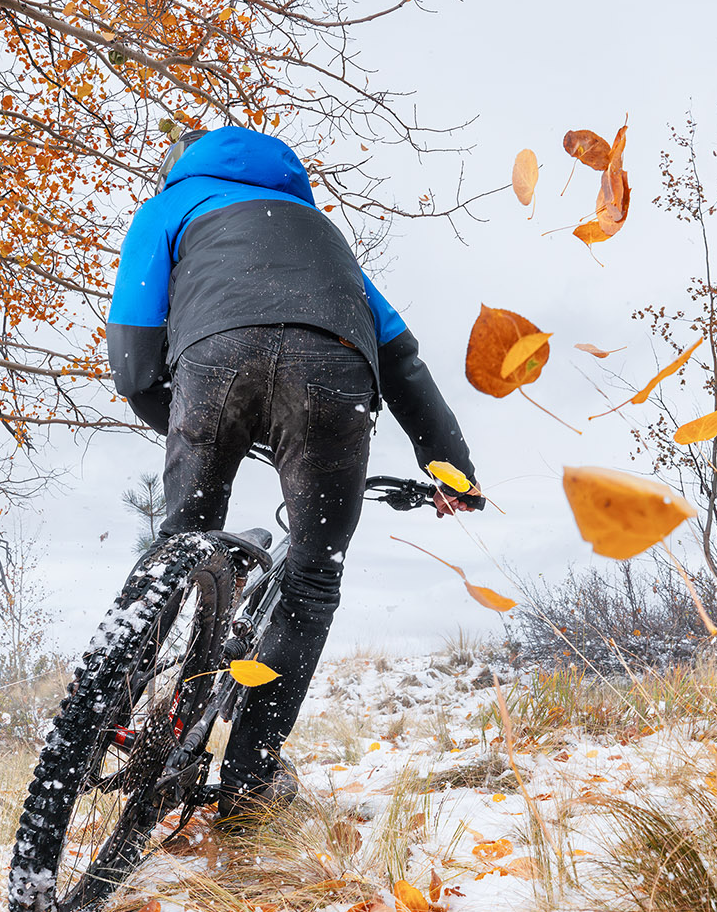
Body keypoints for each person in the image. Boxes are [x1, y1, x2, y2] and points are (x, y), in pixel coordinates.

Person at [107, 125, 482, 819]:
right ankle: (249, 783)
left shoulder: (172, 206)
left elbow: (133, 368)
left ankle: (103, 709)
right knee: (311, 577)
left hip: (215, 361)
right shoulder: (320, 232)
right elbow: (402, 363)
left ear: (177, 166)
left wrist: (197, 427)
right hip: (336, 372)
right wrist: (452, 470)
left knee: (181, 544)